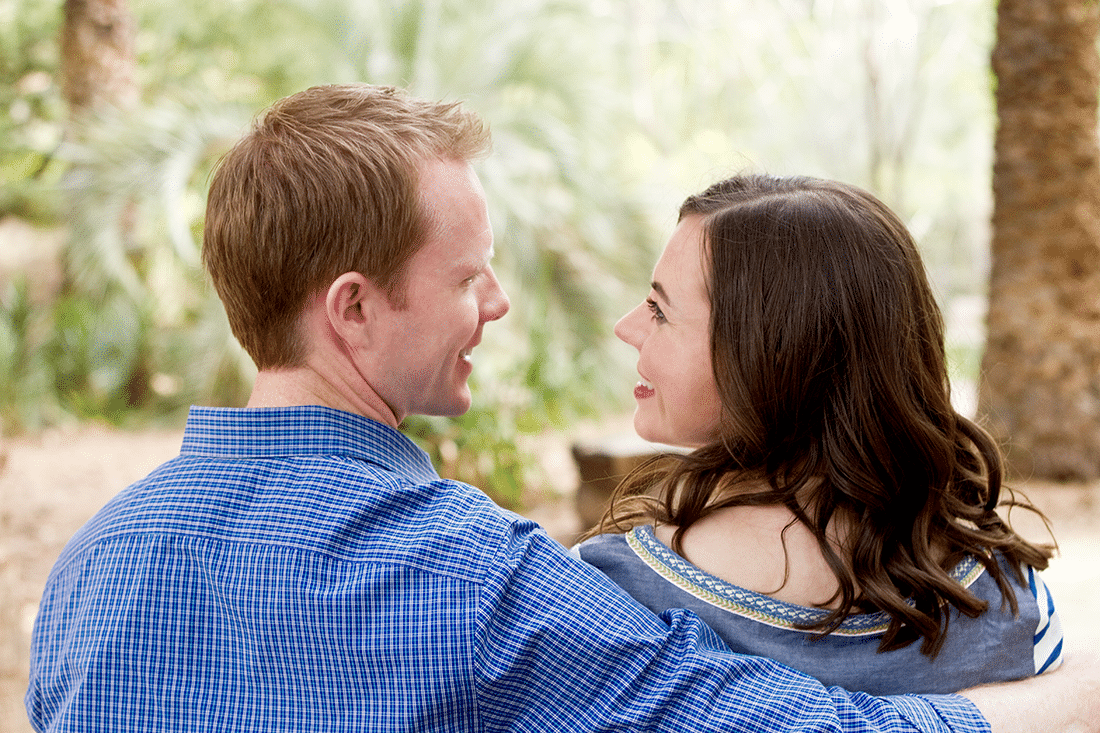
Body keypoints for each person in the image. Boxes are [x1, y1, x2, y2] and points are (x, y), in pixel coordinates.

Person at [24, 83, 1100, 732]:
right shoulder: (472, 581)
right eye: (465, 277)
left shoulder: (91, 568)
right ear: (351, 310)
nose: (497, 302)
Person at [575, 174, 1062, 696]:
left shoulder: (610, 594)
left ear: (769, 355)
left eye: (659, 311)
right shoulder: (1011, 597)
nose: (627, 327)